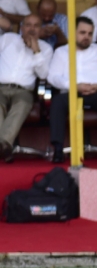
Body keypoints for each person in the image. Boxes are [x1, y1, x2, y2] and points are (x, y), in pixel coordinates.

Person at [49, 17, 97, 163]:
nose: (86, 37)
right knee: (57, 102)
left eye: (89, 33)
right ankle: (58, 149)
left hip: (96, 92)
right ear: (73, 33)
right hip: (71, 92)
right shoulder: (61, 52)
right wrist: (74, 85)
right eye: (82, 32)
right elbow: (53, 77)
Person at [0, 14, 51, 163]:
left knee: (21, 104)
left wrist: (36, 51)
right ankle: (4, 147)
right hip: (1, 86)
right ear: (21, 27)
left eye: (36, 26)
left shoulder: (46, 49)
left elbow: (44, 75)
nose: (32, 29)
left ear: (41, 30)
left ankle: (3, 143)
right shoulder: (8, 39)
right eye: (28, 25)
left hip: (24, 91)